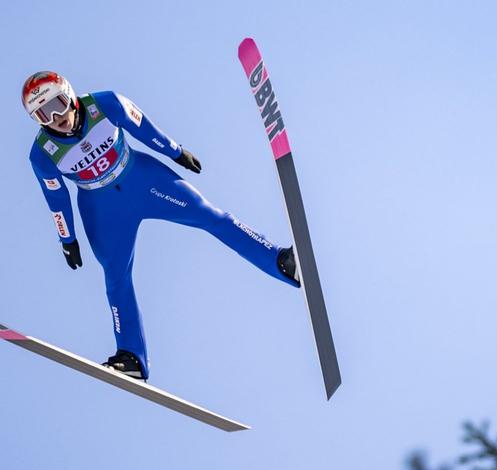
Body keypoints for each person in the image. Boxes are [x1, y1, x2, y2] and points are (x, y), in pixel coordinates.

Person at [23, 71, 300, 380]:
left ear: (70, 95)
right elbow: (55, 197)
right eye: (43, 114)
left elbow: (143, 127)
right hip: (102, 210)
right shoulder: (42, 155)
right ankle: (131, 358)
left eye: (58, 104)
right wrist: (67, 239)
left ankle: (282, 262)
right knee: (116, 278)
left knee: (211, 217)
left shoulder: (105, 104)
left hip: (143, 180)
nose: (56, 117)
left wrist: (176, 151)